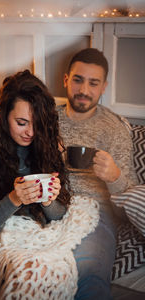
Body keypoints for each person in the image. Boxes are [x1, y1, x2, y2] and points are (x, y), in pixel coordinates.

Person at [0, 69, 73, 298]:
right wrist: (15, 199)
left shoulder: (48, 147)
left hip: (38, 238)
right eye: (22, 123)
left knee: (52, 272)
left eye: (37, 124)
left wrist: (49, 201)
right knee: (27, 274)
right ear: (5, 116)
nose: (31, 133)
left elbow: (58, 216)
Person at [57, 48, 139, 300]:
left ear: (103, 87)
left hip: (96, 213)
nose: (84, 90)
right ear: (66, 80)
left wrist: (114, 177)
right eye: (78, 80)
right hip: (49, 203)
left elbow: (129, 204)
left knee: (89, 272)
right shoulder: (45, 120)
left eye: (93, 83)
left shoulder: (115, 128)